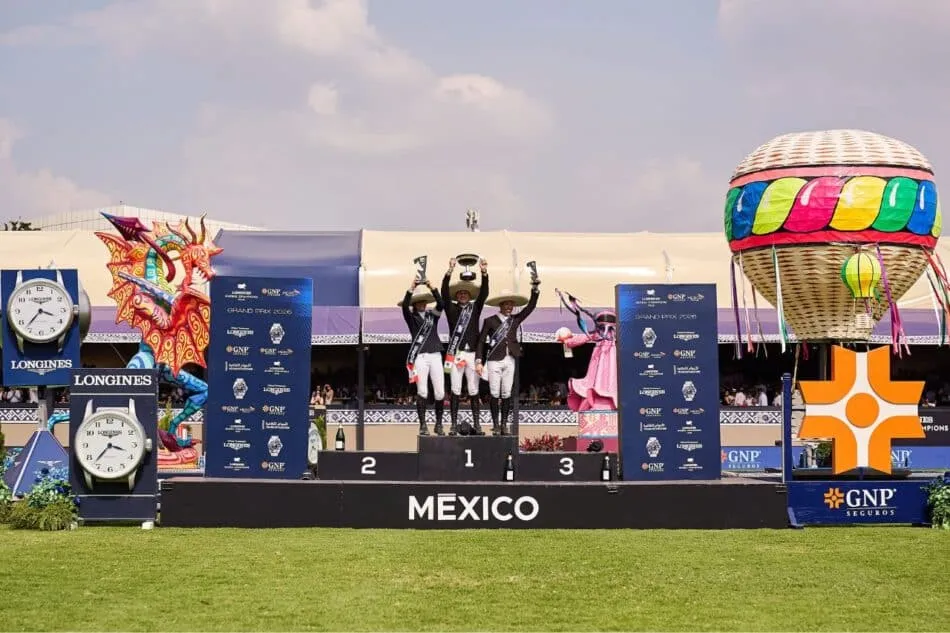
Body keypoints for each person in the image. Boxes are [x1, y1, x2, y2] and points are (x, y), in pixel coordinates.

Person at [475, 278, 541, 435]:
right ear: (500, 305)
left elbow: (530, 307)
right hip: (493, 360)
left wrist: (535, 290)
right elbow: (481, 342)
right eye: (506, 304)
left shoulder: (515, 320)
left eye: (511, 304)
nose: (509, 307)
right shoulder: (490, 321)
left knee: (506, 393)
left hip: (510, 358)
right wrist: (479, 360)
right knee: (494, 393)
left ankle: (504, 424)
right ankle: (496, 424)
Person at [441, 256, 489, 436]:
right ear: (457, 296)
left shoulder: (475, 309)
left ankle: (477, 424)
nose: (462, 295)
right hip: (456, 353)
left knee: (474, 390)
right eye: (460, 294)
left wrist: (484, 272)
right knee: (455, 389)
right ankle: (453, 425)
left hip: (472, 355)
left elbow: (484, 293)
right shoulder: (451, 309)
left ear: (469, 296)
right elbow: (444, 292)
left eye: (465, 294)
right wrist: (449, 271)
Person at [400, 276, 446, 436]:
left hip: (435, 354)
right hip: (419, 356)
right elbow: (404, 306)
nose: (422, 304)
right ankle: (423, 425)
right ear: (415, 303)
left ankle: (439, 424)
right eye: (419, 302)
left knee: (440, 392)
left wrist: (431, 286)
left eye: (424, 301)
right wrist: (411, 288)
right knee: (423, 392)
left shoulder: (432, 315)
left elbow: (441, 304)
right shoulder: (411, 318)